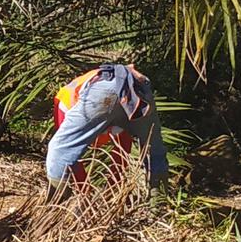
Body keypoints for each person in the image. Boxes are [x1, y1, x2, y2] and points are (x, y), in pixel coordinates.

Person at [44, 64, 168, 203]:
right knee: (153, 149)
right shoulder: (71, 102)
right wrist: (111, 191)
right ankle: (159, 203)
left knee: (59, 149)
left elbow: (68, 153)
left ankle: (57, 206)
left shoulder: (63, 103)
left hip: (103, 91)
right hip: (139, 91)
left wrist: (86, 195)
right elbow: (121, 153)